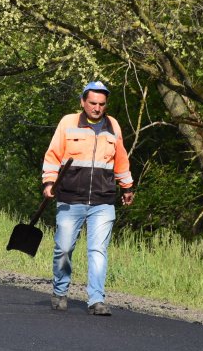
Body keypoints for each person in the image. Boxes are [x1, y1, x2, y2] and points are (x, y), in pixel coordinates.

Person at [42, 81, 135, 315]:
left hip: (103, 201)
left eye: (101, 104)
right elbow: (53, 155)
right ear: (83, 102)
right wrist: (49, 183)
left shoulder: (113, 126)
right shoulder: (68, 122)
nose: (96, 108)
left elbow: (121, 160)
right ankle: (60, 291)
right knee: (63, 248)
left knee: (98, 251)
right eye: (92, 103)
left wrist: (127, 187)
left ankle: (96, 300)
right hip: (70, 199)